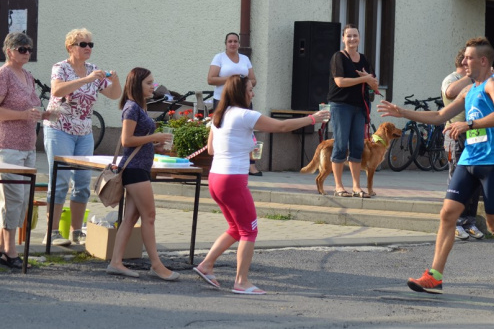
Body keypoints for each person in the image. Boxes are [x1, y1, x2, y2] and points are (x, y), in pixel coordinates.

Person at [379, 37, 494, 293]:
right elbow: (441, 115)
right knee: (447, 214)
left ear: (483, 61)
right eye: (464, 58)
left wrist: (470, 124)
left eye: (469, 58)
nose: (464, 61)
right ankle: (435, 275)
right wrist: (403, 112)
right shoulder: (469, 89)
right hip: (469, 160)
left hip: (493, 161)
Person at [192, 75, 329, 294]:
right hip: (233, 179)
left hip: (216, 178)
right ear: (240, 92)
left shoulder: (220, 115)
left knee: (236, 228)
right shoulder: (245, 115)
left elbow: (210, 150)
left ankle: (206, 265)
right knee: (249, 231)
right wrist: (313, 119)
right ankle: (241, 281)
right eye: (250, 90)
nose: (252, 93)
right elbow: (282, 126)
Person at [44, 28, 121, 246]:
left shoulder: (93, 69)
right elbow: (57, 90)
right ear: (70, 47)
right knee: (60, 181)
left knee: (82, 183)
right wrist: (86, 79)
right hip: (59, 128)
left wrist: (114, 80)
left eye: (90, 45)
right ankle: (52, 233)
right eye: (83, 44)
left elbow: (114, 95)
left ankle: (76, 232)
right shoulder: (61, 67)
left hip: (84, 132)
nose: (88, 48)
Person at [106, 68, 179, 280]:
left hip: (139, 167)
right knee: (149, 216)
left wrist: (155, 145)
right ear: (137, 84)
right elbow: (126, 140)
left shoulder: (138, 107)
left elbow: (136, 141)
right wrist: (153, 137)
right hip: (135, 169)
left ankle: (116, 262)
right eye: (149, 83)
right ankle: (156, 265)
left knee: (131, 218)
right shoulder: (131, 108)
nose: (152, 87)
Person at [0, 32, 51, 269]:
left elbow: (31, 108)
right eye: (22, 49)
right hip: (7, 146)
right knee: (14, 199)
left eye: (29, 48)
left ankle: (3, 249)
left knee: (21, 201)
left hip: (28, 146)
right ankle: (11, 253)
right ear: (9, 51)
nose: (27, 52)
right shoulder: (4, 75)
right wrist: (22, 115)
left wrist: (46, 114)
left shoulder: (28, 76)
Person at [327, 24, 380, 198]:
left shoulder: (364, 59)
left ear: (359, 38)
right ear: (343, 39)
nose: (352, 39)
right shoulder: (338, 57)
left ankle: (357, 187)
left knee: (358, 146)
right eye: (348, 36)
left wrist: (368, 79)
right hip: (341, 105)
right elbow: (340, 82)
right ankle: (338, 186)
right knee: (341, 145)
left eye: (355, 36)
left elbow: (374, 83)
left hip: (360, 107)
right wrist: (363, 78)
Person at [441, 48, 483, 241]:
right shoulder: (451, 79)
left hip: (474, 133)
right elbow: (450, 93)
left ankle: (469, 221)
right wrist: (469, 77)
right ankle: (455, 223)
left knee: (474, 179)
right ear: (464, 63)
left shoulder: (477, 81)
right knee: (456, 178)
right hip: (454, 134)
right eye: (470, 61)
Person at [207, 32, 262, 176]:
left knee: (249, 131)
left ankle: (251, 165)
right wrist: (233, 80)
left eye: (235, 41)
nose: (233, 44)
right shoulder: (219, 58)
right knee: (222, 130)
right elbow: (211, 79)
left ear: (239, 44)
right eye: (230, 41)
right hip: (223, 99)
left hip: (243, 100)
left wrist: (244, 83)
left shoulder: (244, 59)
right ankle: (218, 162)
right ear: (225, 43)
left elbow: (253, 80)